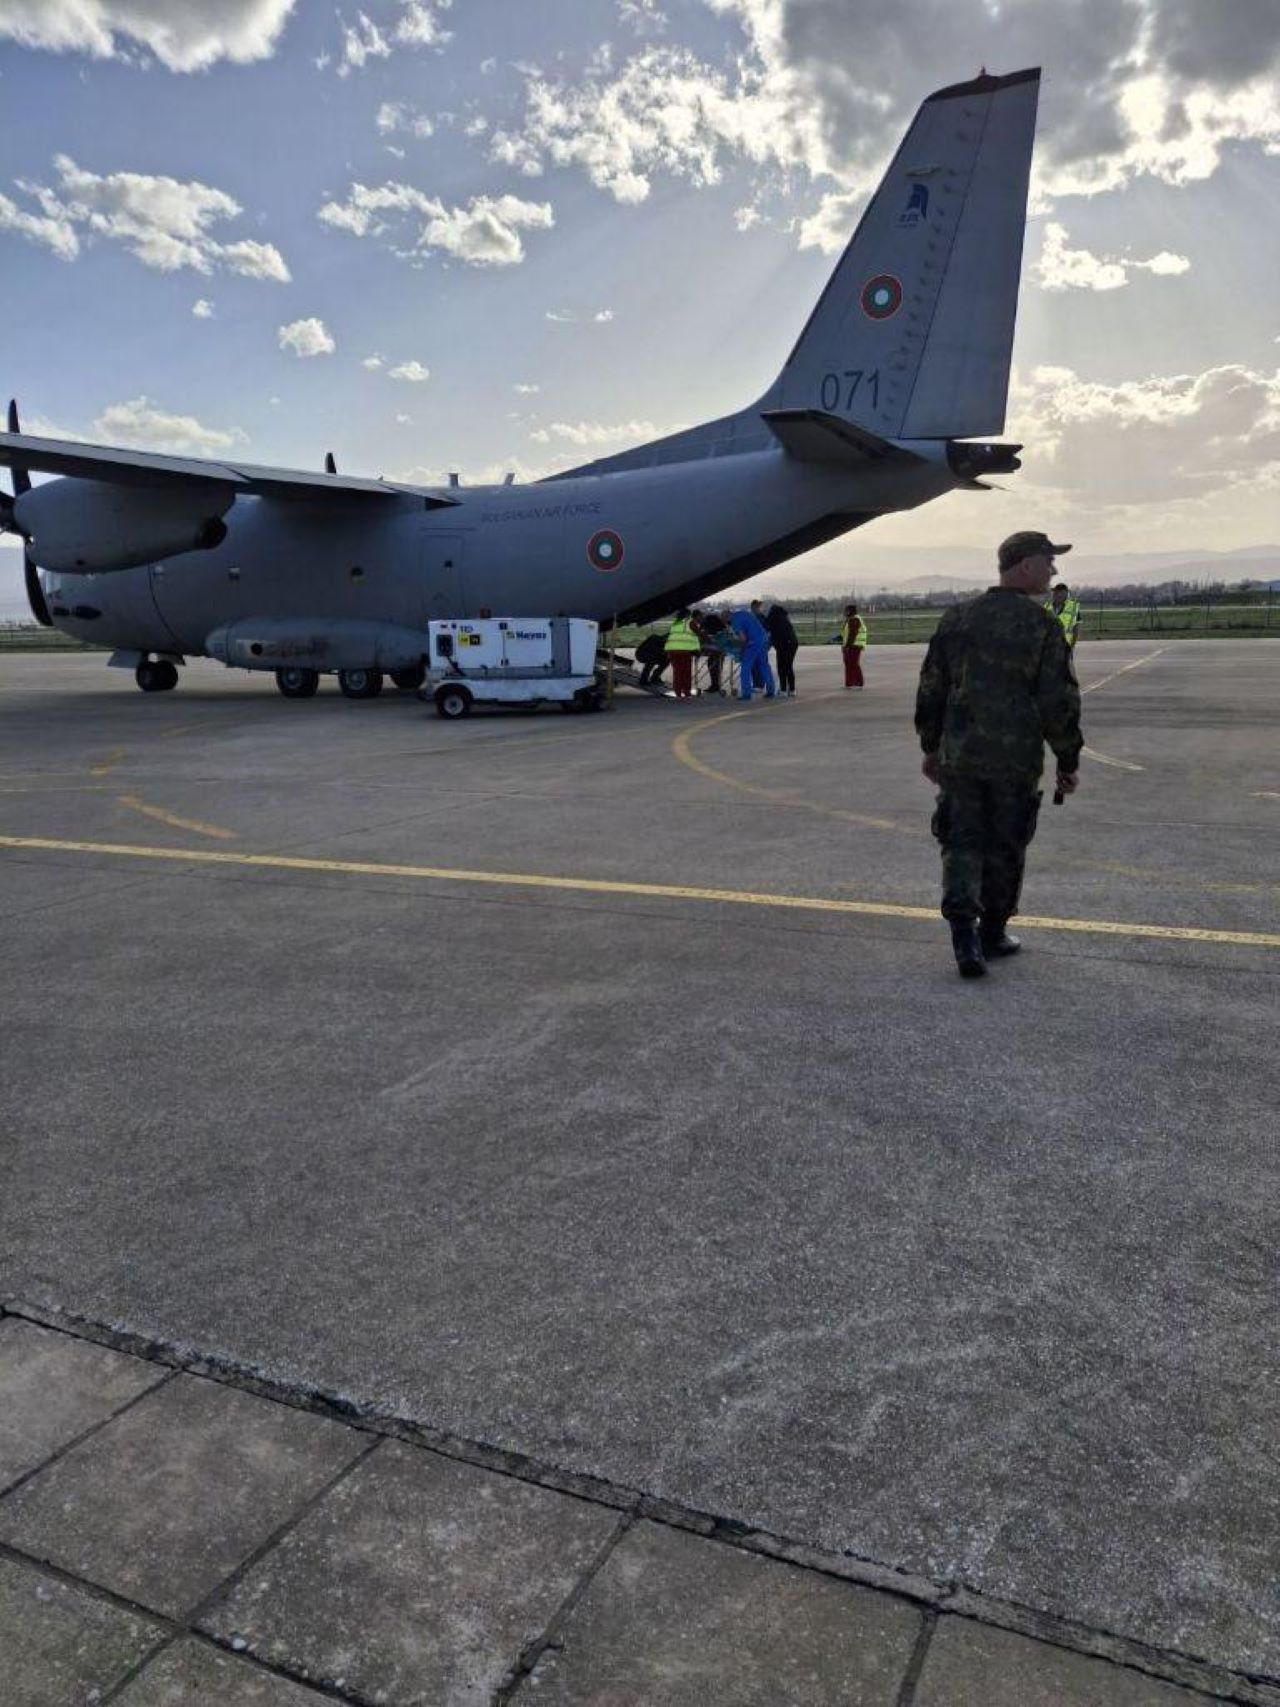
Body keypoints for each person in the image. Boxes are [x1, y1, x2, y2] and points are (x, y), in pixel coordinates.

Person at [915, 530, 1083, 979]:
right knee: (1007, 843)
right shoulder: (1042, 626)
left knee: (962, 841)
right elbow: (1059, 701)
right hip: (1015, 761)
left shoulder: (958, 618)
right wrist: (1068, 760)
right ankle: (992, 931)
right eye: (1049, 561)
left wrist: (931, 747)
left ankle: (964, 938)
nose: (1054, 570)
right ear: (1025, 565)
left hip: (962, 756)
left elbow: (931, 688)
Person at [729, 604, 776, 701]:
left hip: (754, 642)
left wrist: (742, 651)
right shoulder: (744, 613)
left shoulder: (735, 620)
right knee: (764, 665)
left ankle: (746, 694)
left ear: (726, 617)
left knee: (746, 666)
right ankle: (771, 691)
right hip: (764, 640)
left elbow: (743, 638)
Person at [664, 607, 701, 699]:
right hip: (684, 651)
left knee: (677, 672)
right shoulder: (690, 622)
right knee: (686, 672)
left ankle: (678, 693)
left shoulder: (675, 623)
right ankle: (686, 692)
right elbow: (699, 633)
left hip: (672, 650)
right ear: (687, 615)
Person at [766, 601, 799, 696]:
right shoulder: (785, 618)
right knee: (788, 666)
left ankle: (783, 690)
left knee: (781, 667)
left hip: (783, 644)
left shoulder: (773, 618)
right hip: (793, 643)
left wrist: (767, 646)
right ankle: (792, 690)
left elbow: (767, 629)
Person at [697, 607, 728, 695]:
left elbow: (704, 636)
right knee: (715, 664)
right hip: (718, 649)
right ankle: (715, 685)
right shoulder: (716, 622)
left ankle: (715, 685)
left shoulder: (709, 623)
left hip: (715, 650)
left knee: (713, 664)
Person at [841, 603, 867, 688]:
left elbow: (852, 634)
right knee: (849, 664)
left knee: (853, 664)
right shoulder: (851, 619)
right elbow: (847, 634)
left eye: (846, 610)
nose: (845, 612)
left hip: (854, 645)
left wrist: (848, 646)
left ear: (850, 611)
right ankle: (850, 683)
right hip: (852, 645)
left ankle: (858, 682)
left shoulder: (854, 620)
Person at [1048, 582, 1082, 649]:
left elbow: (1076, 630)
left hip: (1064, 646)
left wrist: (1071, 647)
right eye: (1055, 592)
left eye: (1059, 592)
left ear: (1066, 594)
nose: (1055, 594)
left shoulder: (1073, 607)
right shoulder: (1047, 606)